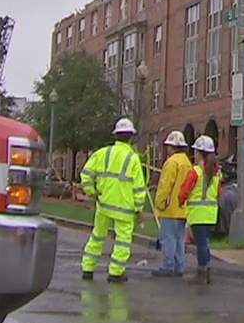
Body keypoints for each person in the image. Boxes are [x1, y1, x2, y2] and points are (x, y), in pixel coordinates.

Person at [79, 118, 148, 283]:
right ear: (131, 137)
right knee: (122, 241)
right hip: (124, 208)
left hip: (103, 205)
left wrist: (91, 191)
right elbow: (139, 188)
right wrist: (139, 209)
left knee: (97, 236)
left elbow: (86, 174)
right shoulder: (132, 158)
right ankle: (115, 273)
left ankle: (87, 268)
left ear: (115, 135)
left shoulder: (103, 153)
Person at [177, 134, 221, 284]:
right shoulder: (216, 172)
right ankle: (206, 272)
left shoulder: (195, 171)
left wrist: (180, 201)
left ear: (198, 153)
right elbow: (218, 193)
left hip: (198, 214)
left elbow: (184, 191)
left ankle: (201, 273)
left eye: (195, 151)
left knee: (201, 244)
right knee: (205, 243)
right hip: (211, 214)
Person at [152, 130, 192, 278]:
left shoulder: (171, 163)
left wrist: (159, 203)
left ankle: (167, 266)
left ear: (172, 147)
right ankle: (179, 266)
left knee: (168, 239)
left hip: (170, 208)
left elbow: (165, 185)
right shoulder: (187, 162)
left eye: (168, 146)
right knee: (179, 239)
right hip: (182, 209)